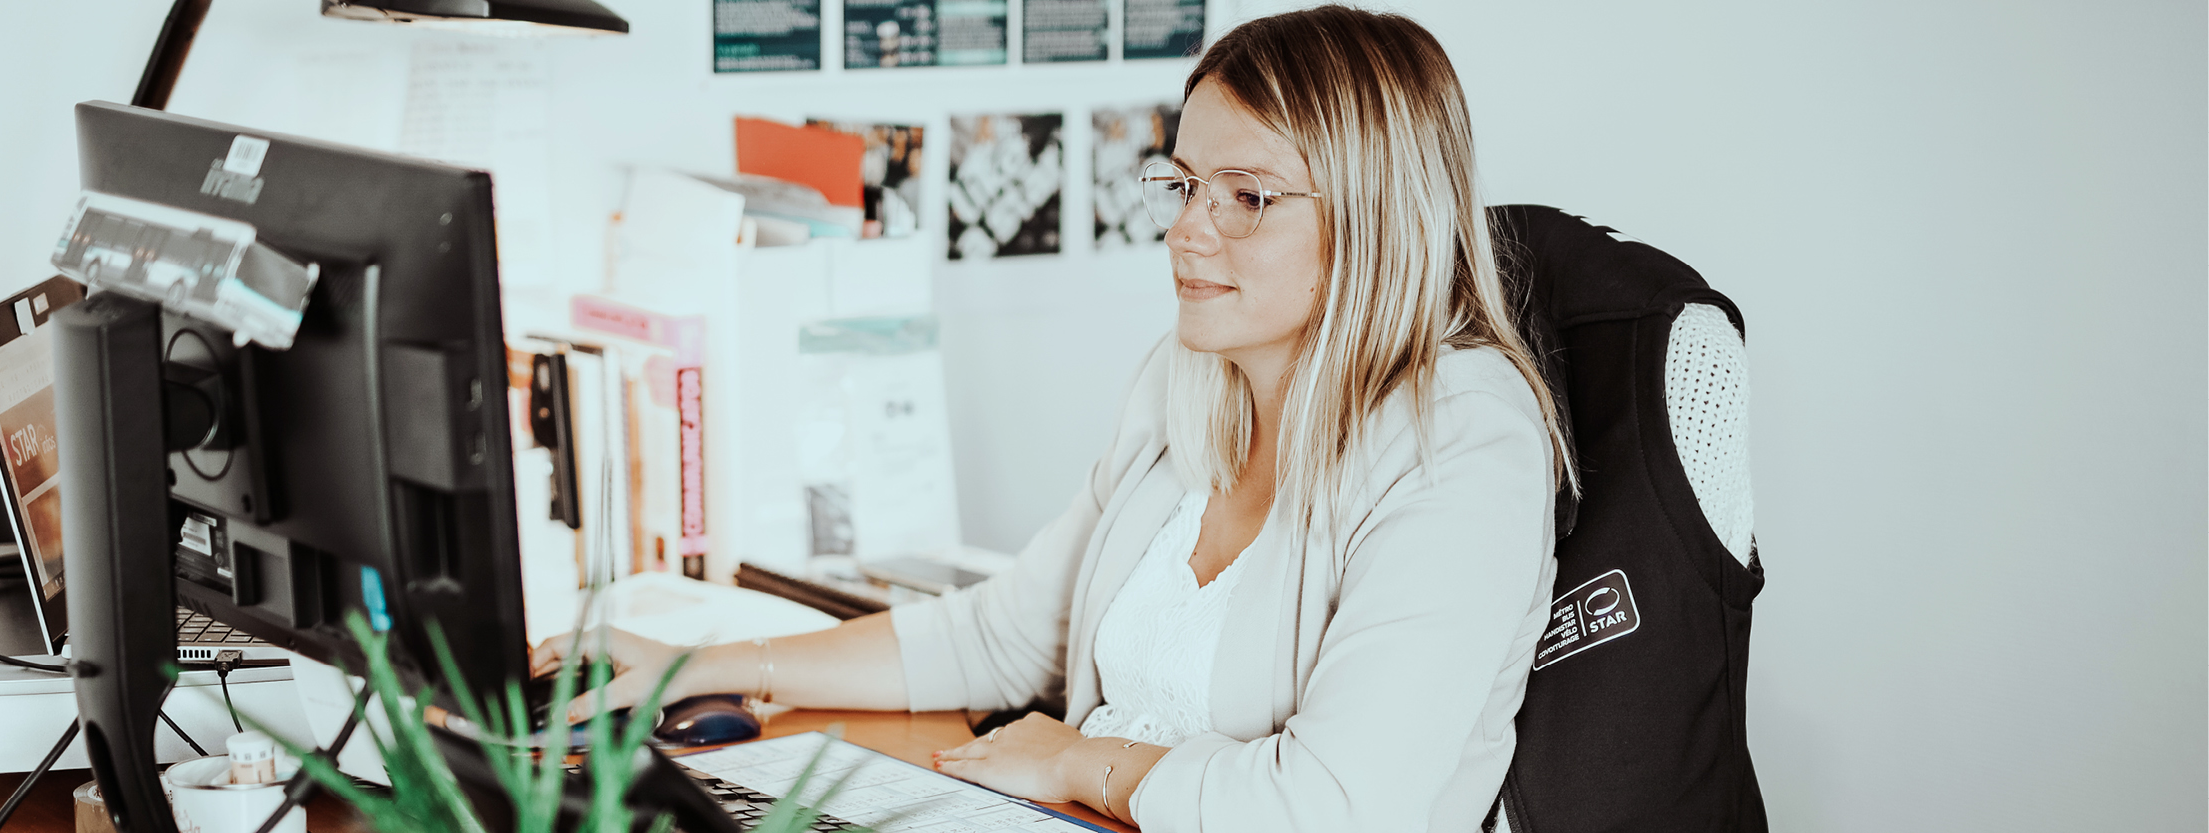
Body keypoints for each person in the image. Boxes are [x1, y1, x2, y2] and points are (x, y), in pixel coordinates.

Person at [533, 6, 1569, 830]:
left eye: (1246, 196)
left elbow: (1342, 807)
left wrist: (1082, 759)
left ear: (1376, 218)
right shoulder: (1190, 379)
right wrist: (704, 664)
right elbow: (1004, 634)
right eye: (1184, 182)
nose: (1186, 229)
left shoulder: (1463, 443)